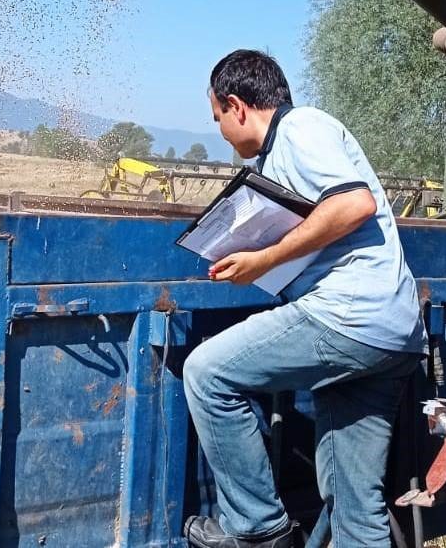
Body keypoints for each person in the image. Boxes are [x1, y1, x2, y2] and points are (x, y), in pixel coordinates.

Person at [182, 50, 425, 548]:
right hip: (391, 336)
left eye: (218, 120)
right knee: (356, 506)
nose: (223, 134)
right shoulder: (278, 155)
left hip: (348, 317)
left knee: (206, 374)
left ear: (237, 106)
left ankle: (258, 529)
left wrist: (264, 259)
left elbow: (354, 203)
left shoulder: (301, 127)